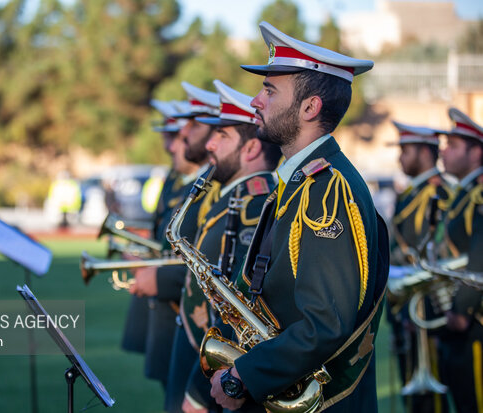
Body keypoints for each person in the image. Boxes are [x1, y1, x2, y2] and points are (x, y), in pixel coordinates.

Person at [207, 21, 389, 411]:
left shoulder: (329, 189)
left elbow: (325, 322)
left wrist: (243, 376)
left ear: (310, 107)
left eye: (269, 90)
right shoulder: (300, 180)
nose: (256, 100)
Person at [165, 80, 281, 413]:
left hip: (224, 369)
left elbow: (240, 308)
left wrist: (200, 391)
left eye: (223, 135)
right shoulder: (231, 199)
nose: (210, 144)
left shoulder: (253, 205)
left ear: (251, 149)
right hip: (205, 352)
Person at [130, 83, 221, 389]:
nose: (174, 144)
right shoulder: (190, 181)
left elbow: (215, 262)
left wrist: (159, 278)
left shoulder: (214, 188)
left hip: (195, 324)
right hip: (176, 317)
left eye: (190, 129)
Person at [386, 121, 451, 413]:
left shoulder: (439, 193)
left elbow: (438, 255)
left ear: (425, 152)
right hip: (406, 304)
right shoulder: (409, 194)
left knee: (431, 400)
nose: (400, 157)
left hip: (428, 307)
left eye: (405, 149)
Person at [121, 99, 189, 355]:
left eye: (176, 135)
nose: (168, 146)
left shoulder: (196, 182)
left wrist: (155, 270)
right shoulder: (172, 177)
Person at [437, 107, 483, 413]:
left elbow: (480, 255)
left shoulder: (478, 194)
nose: (444, 151)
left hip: (474, 320)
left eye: (453, 146)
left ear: (476, 152)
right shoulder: (463, 194)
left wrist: (462, 308)